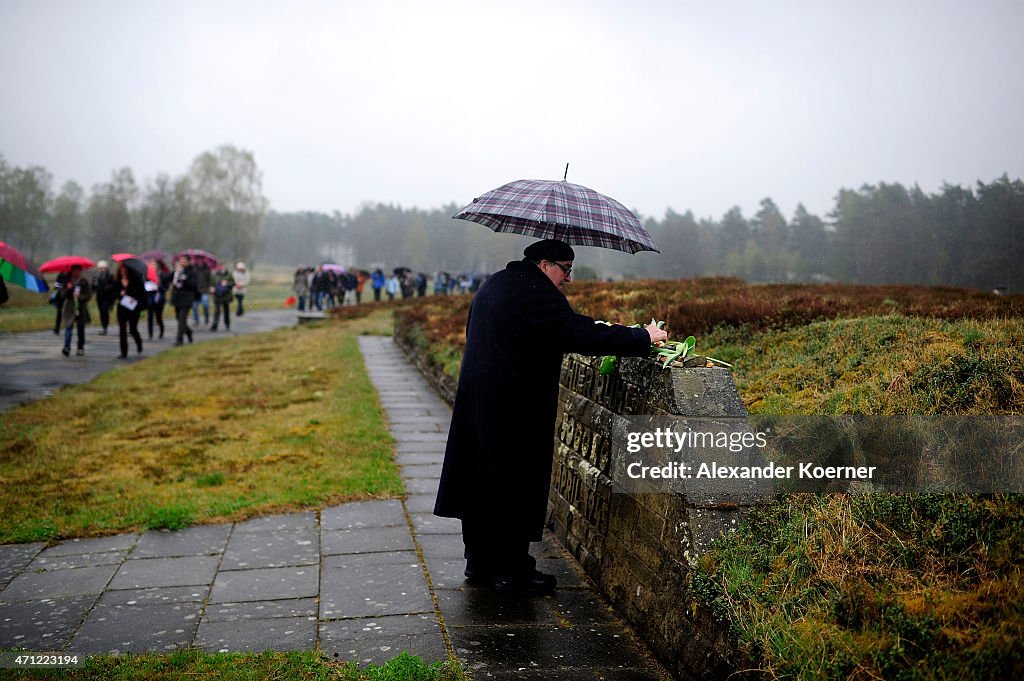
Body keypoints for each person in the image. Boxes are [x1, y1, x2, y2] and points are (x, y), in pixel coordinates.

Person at [433, 239, 667, 596]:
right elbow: (579, 333)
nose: (569, 278)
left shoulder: (496, 283)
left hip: (480, 403)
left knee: (482, 482)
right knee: (514, 484)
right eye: (566, 268)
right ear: (544, 264)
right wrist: (641, 337)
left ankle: (479, 562)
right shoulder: (535, 293)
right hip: (514, 409)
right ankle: (511, 573)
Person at [60, 265, 92, 356]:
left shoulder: (84, 281)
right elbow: (62, 294)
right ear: (72, 271)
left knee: (81, 329)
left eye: (78, 271)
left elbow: (88, 295)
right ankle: (66, 347)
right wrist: (68, 289)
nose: (76, 272)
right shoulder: (67, 280)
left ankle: (80, 348)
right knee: (68, 327)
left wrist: (80, 297)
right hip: (69, 307)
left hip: (81, 307)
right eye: (74, 271)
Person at [115, 263, 145, 358]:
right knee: (122, 330)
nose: (123, 271)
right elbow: (112, 293)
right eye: (121, 269)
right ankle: (124, 352)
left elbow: (142, 293)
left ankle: (139, 343)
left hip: (133, 308)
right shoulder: (117, 281)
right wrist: (119, 293)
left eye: (125, 269)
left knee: (132, 329)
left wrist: (135, 298)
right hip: (122, 308)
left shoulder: (136, 280)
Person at [171, 255, 198, 346]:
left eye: (184, 261)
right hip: (177, 299)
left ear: (188, 262)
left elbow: (193, 285)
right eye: (181, 261)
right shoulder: (178, 271)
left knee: (182, 319)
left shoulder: (193, 272)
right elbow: (169, 280)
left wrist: (185, 279)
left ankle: (179, 340)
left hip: (187, 299)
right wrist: (175, 274)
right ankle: (189, 332)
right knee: (178, 319)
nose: (182, 263)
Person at [147, 259, 172, 340]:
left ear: (158, 266)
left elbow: (166, 287)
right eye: (151, 264)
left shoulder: (163, 275)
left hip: (159, 297)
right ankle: (150, 334)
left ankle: (161, 331)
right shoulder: (147, 275)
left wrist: (159, 287)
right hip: (150, 297)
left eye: (154, 264)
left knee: (158, 317)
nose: (153, 266)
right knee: (150, 316)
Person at [92, 260, 117, 335]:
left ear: (106, 268)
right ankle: (103, 326)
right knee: (101, 311)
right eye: (100, 268)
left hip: (108, 297)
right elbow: (93, 286)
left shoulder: (110, 275)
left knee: (104, 310)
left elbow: (114, 286)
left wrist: (108, 287)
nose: (101, 270)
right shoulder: (96, 276)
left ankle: (105, 327)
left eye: (103, 268)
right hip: (99, 296)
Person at [210, 263, 235, 331]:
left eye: (222, 266)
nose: (221, 267)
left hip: (226, 296)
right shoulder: (215, 275)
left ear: (224, 267)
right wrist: (211, 288)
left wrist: (227, 283)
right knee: (217, 311)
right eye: (219, 266)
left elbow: (233, 283)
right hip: (217, 296)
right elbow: (212, 284)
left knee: (226, 311)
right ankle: (214, 325)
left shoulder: (229, 274)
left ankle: (227, 324)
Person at [192, 259, 212, 326]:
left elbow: (210, 280)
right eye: (198, 260)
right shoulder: (194, 269)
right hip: (195, 291)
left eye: (201, 260)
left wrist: (209, 288)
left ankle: (206, 317)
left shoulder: (207, 269)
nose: (200, 262)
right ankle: (196, 320)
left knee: (205, 305)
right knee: (194, 307)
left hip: (204, 291)